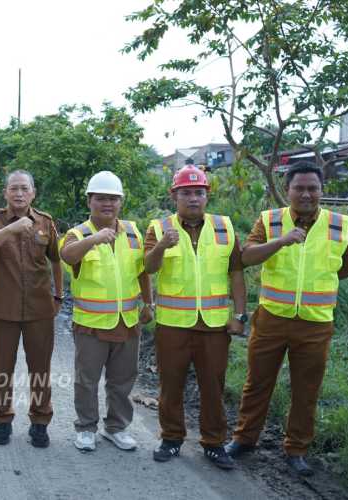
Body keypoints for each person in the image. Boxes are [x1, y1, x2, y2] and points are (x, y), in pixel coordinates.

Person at [225, 162, 348, 476]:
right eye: (300, 188)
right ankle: (244, 439)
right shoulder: (270, 221)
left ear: (322, 191)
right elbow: (246, 257)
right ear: (288, 191)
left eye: (313, 188)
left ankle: (296, 449)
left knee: (306, 389)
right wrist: (280, 241)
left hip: (315, 324)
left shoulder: (339, 225)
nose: (307, 194)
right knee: (257, 383)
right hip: (272, 318)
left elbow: (347, 268)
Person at [143, 165, 246, 469]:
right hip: (173, 325)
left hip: (214, 326)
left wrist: (240, 315)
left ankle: (214, 444)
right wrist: (162, 246)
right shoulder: (159, 228)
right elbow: (148, 268)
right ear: (174, 195)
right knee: (170, 384)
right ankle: (171, 438)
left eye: (198, 192)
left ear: (207, 196)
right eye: (185, 193)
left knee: (213, 385)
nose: (193, 198)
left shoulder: (224, 227)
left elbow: (237, 272)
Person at [59, 171, 153, 452]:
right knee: (87, 379)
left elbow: (143, 270)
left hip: (128, 321)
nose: (107, 204)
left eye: (113, 199)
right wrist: (95, 239)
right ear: (90, 201)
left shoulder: (134, 231)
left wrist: (148, 303)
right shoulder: (78, 234)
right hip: (91, 323)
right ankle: (86, 427)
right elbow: (67, 256)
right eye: (101, 199)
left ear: (121, 202)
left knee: (123, 378)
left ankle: (117, 427)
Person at [0, 169, 63, 448]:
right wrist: (11, 228)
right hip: (3, 310)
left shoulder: (45, 222)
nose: (19, 193)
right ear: (5, 193)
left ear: (33, 193)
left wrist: (58, 296)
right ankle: (2, 421)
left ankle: (40, 422)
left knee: (40, 370)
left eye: (24, 188)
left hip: (39, 309)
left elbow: (57, 260)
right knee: (2, 369)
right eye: (13, 188)